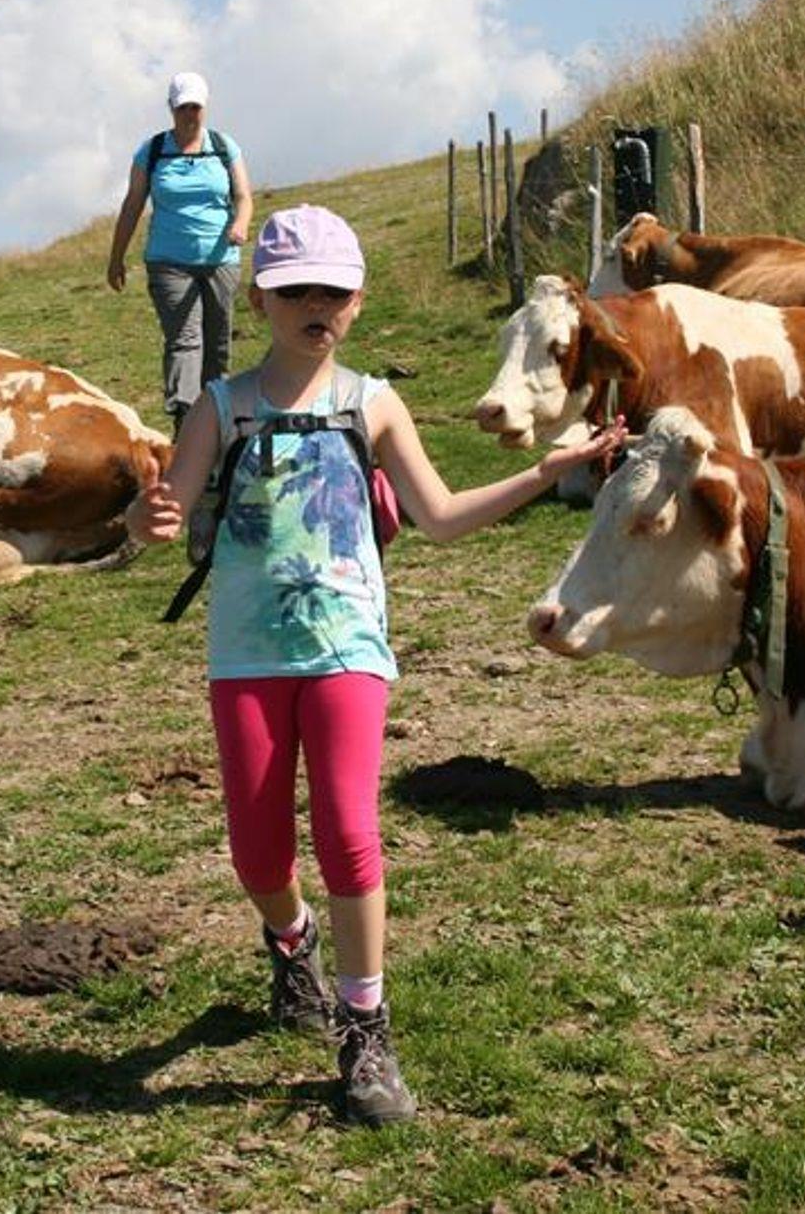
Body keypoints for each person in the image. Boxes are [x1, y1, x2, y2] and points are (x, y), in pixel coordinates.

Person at [125, 204, 625, 1128]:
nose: (316, 306)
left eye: (334, 291)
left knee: (349, 832)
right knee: (257, 852)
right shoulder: (221, 407)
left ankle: (364, 1030)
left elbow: (441, 516)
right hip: (245, 654)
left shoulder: (373, 403)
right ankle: (292, 940)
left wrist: (549, 471)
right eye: (295, 292)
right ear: (261, 300)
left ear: (357, 301)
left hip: (349, 648)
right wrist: (146, 518)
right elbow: (166, 512)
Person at [106, 72, 253, 432]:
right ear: (171, 108)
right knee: (185, 341)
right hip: (169, 263)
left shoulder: (223, 147)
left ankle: (216, 418)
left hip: (220, 260)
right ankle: (186, 420)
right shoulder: (153, 151)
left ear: (205, 107)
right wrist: (116, 257)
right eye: (183, 107)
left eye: (195, 107)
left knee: (217, 344)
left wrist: (240, 224)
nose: (190, 114)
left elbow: (243, 196)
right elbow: (132, 205)